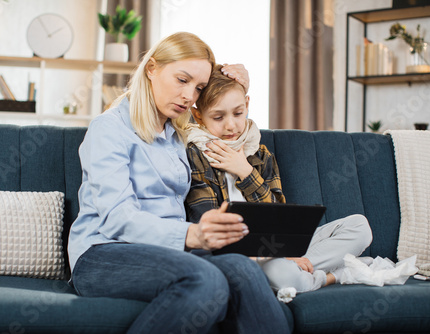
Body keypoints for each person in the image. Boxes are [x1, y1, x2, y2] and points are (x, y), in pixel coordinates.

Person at [68, 32, 291, 334]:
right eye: (181, 80)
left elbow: (223, 116)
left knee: (243, 268)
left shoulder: (180, 132)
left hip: (170, 253)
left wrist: (240, 82)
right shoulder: (109, 129)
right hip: (103, 253)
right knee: (205, 279)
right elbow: (117, 218)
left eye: (198, 87)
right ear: (152, 69)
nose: (189, 96)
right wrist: (194, 234)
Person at [184, 64, 373, 299]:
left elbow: (278, 214)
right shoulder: (196, 155)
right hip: (242, 255)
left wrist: (245, 171)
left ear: (248, 104)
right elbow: (208, 227)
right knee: (282, 274)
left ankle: (299, 269)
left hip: (277, 247)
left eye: (238, 113)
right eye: (218, 117)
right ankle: (333, 275)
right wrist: (275, 256)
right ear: (198, 114)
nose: (230, 125)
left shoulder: (260, 155)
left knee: (359, 226)